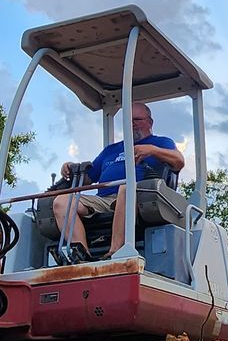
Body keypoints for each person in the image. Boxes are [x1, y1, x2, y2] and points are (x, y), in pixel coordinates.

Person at [52, 101, 184, 261]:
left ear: (150, 122)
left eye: (137, 119)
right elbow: (87, 179)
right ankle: (81, 256)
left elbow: (179, 161)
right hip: (104, 199)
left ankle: (114, 253)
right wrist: (71, 169)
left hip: (139, 197)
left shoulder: (161, 143)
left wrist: (152, 150)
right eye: (128, 120)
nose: (132, 124)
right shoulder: (111, 150)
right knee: (61, 202)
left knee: (126, 188)